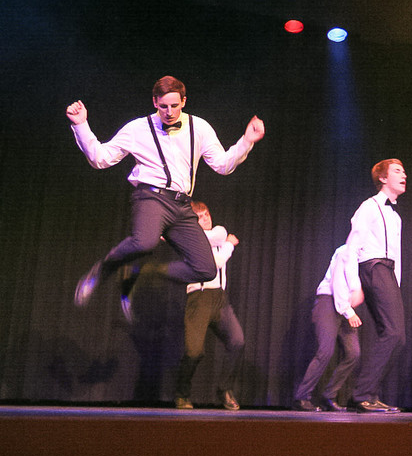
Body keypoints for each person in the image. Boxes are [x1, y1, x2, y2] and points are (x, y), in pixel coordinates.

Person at [67, 76, 265, 318]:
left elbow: (222, 165)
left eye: (174, 106)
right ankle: (101, 271)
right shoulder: (137, 128)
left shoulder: (200, 128)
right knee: (144, 242)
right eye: (163, 106)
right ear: (154, 102)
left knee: (206, 269)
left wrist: (247, 141)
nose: (169, 112)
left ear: (184, 101)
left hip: (182, 205)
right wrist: (81, 125)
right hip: (151, 197)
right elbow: (100, 158)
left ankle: (143, 272)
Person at [343, 159, 407, 413]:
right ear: (383, 178)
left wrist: (396, 283)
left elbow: (396, 255)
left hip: (387, 272)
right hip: (373, 267)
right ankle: (361, 394)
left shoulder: (395, 216)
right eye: (397, 171)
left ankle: (368, 393)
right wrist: (354, 284)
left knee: (396, 337)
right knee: (393, 333)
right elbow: (352, 246)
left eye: (404, 171)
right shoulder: (369, 207)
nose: (404, 174)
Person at [175, 201, 246, 410]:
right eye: (200, 217)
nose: (206, 218)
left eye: (207, 214)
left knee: (237, 341)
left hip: (219, 299)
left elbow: (220, 234)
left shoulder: (218, 232)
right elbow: (215, 262)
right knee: (194, 352)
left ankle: (224, 389)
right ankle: (182, 394)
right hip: (199, 297)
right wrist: (230, 245)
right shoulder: (191, 241)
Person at [293, 244, 364, 412]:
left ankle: (329, 395)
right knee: (325, 351)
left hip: (344, 305)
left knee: (353, 353)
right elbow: (337, 283)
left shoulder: (365, 258)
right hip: (329, 301)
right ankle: (302, 397)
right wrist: (348, 311)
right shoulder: (346, 251)